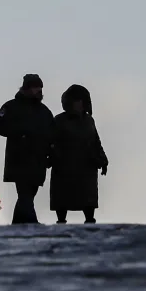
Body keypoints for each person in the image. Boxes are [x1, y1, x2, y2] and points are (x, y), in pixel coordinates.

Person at [0, 73, 55, 224]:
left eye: (40, 88)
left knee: (28, 195)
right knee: (25, 194)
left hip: (38, 160)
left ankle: (19, 224)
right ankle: (32, 223)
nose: (39, 91)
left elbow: (52, 135)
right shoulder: (11, 107)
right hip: (19, 158)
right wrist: (20, 133)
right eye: (35, 88)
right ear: (26, 89)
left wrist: (51, 154)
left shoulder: (44, 112)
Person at [49, 84, 108, 224]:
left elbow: (95, 141)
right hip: (65, 168)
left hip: (87, 168)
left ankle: (90, 220)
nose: (80, 104)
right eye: (77, 101)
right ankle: (61, 221)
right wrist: (53, 158)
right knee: (62, 200)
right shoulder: (59, 121)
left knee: (88, 201)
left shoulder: (89, 121)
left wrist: (103, 160)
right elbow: (50, 142)